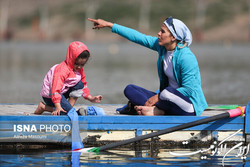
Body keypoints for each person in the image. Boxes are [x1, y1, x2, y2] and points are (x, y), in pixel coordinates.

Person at [88, 17, 207, 116]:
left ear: (173, 37)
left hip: (189, 107)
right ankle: (156, 109)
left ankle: (158, 111)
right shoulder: (162, 47)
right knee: (130, 89)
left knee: (167, 92)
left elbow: (189, 89)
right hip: (165, 99)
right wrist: (109, 25)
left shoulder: (186, 57)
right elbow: (137, 37)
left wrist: (158, 97)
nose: (158, 33)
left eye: (163, 31)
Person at [34, 41, 103, 115]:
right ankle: (44, 107)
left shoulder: (79, 69)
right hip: (51, 95)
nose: (79, 67)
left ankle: (68, 108)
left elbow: (83, 84)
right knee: (66, 112)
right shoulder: (62, 70)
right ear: (71, 59)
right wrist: (58, 106)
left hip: (62, 92)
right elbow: (55, 89)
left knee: (79, 84)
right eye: (76, 64)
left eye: (82, 65)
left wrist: (91, 98)